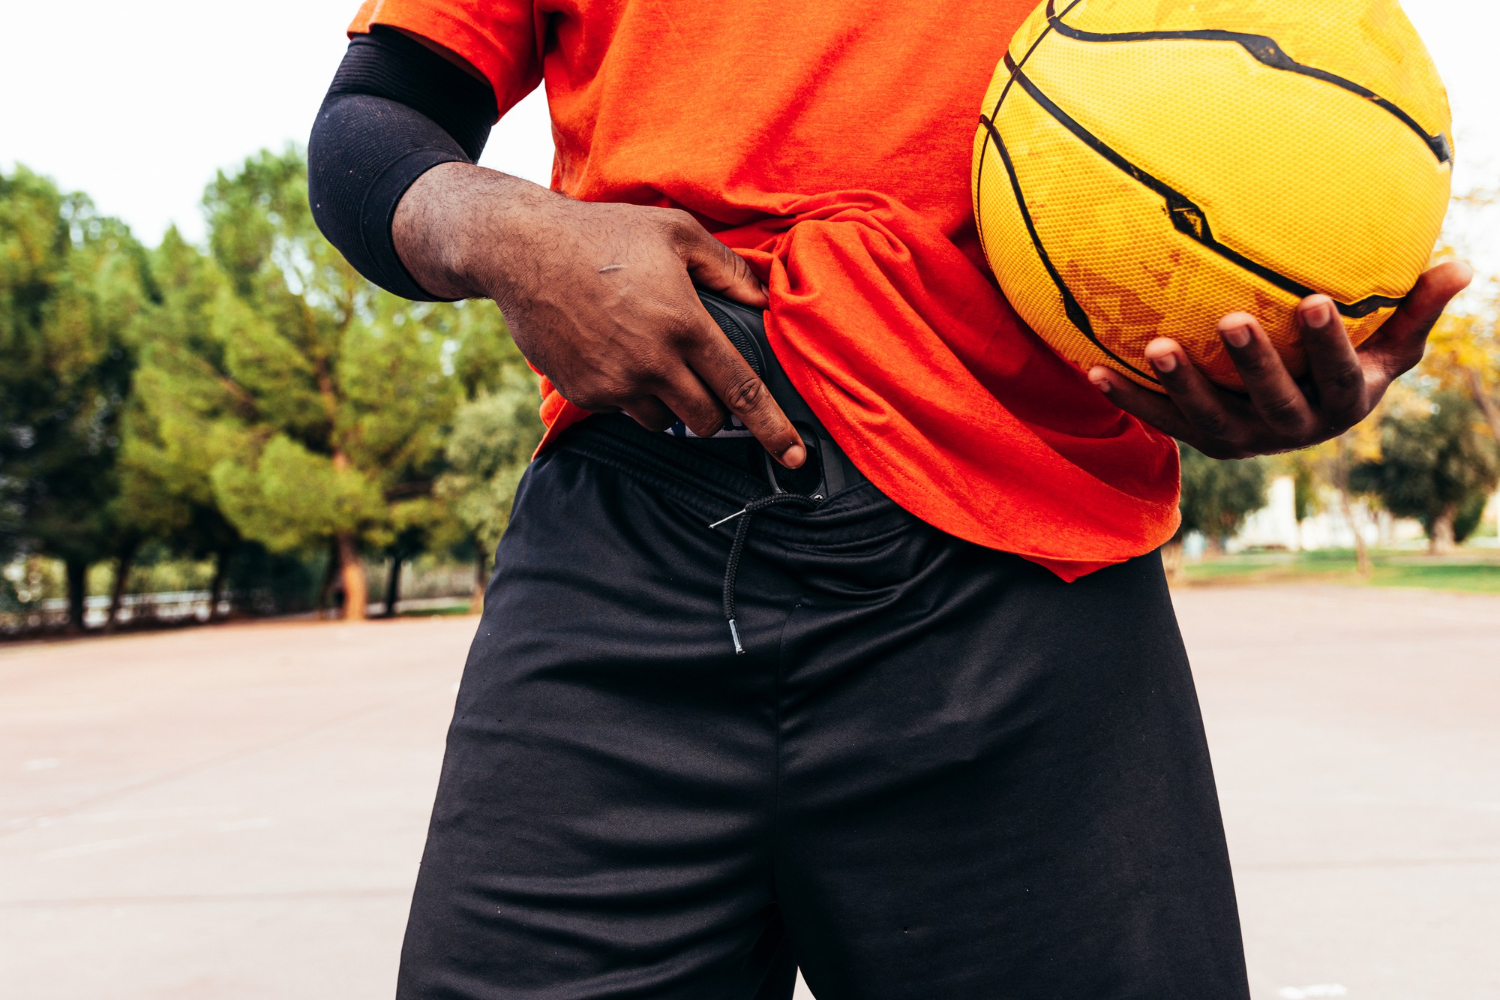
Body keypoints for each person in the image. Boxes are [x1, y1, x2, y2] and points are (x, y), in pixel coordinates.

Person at [308, 3, 1470, 997]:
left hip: (1025, 548)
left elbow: (1276, 85)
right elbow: (373, 121)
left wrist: (1282, 308)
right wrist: (509, 230)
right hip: (632, 535)